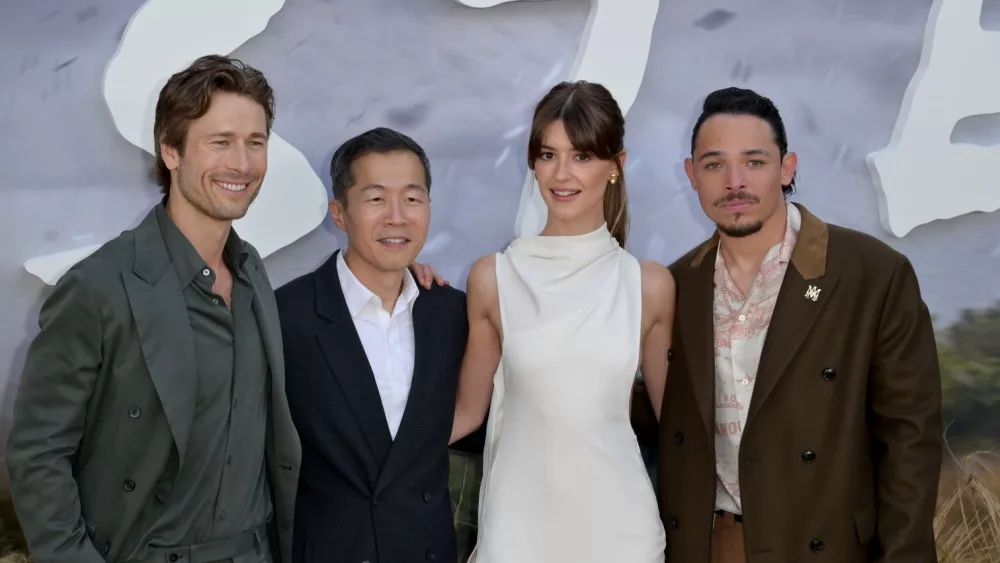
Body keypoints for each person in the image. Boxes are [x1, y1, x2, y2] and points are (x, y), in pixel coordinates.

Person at [6, 55, 300, 563]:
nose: (243, 163)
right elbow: (38, 454)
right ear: (170, 150)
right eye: (220, 141)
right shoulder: (99, 286)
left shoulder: (253, 273)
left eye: (255, 143)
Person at [638, 86, 943, 562]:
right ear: (691, 175)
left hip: (825, 546)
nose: (734, 182)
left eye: (755, 162)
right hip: (709, 544)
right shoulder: (675, 286)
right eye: (715, 164)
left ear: (787, 167)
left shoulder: (871, 273)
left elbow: (910, 440)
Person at [448, 80, 675, 562]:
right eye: (549, 154)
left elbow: (677, 424)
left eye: (583, 156)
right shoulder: (494, 277)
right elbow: (467, 412)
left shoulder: (648, 286)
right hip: (517, 534)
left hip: (621, 536)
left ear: (616, 166)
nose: (562, 173)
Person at [276, 127, 480, 563]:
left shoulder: (450, 314)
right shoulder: (286, 316)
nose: (397, 216)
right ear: (339, 212)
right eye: (375, 199)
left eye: (412, 198)